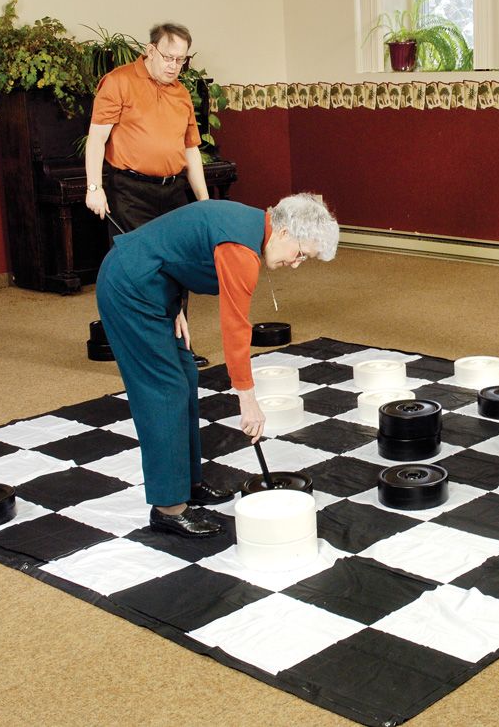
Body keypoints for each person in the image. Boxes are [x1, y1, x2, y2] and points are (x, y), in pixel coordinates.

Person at [96, 194, 340, 537]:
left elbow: (178, 248)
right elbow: (235, 328)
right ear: (284, 233)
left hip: (156, 285)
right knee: (164, 389)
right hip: (130, 287)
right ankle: (168, 507)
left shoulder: (255, 227)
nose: (297, 264)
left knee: (185, 374)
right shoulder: (241, 251)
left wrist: (175, 304)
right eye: (300, 254)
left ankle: (188, 483)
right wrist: (248, 400)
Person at [84, 22, 213, 366]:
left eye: (181, 60)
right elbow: (96, 138)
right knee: (140, 271)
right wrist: (93, 188)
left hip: (172, 192)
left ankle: (177, 347)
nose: (174, 65)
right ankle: (146, 352)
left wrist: (204, 204)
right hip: (129, 190)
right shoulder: (119, 82)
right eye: (168, 57)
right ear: (150, 49)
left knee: (179, 267)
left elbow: (190, 152)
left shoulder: (182, 94)